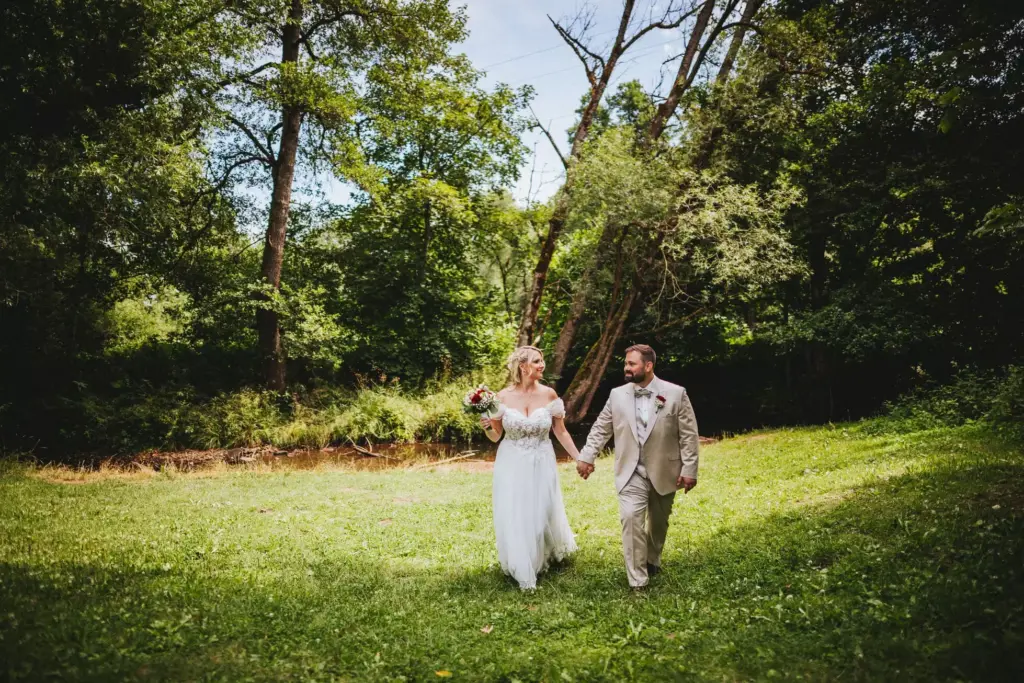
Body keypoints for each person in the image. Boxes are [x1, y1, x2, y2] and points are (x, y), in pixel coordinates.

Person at [576, 344, 699, 590]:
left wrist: (689, 470)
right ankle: (638, 581)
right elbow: (602, 427)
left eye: (632, 364)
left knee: (658, 523)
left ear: (648, 365)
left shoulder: (676, 393)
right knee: (631, 519)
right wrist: (587, 456)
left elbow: (688, 435)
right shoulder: (616, 394)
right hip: (630, 471)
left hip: (665, 470)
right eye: (626, 363)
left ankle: (652, 560)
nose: (627, 368)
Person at [480, 346, 580, 590]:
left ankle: (542, 551)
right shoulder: (501, 397)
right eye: (537, 361)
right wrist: (486, 426)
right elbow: (496, 437)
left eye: (542, 360)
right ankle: (524, 566)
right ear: (523, 367)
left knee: (541, 508)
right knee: (517, 510)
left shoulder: (549, 395)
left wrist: (580, 458)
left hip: (542, 459)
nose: (542, 365)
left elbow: (561, 431)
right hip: (512, 461)